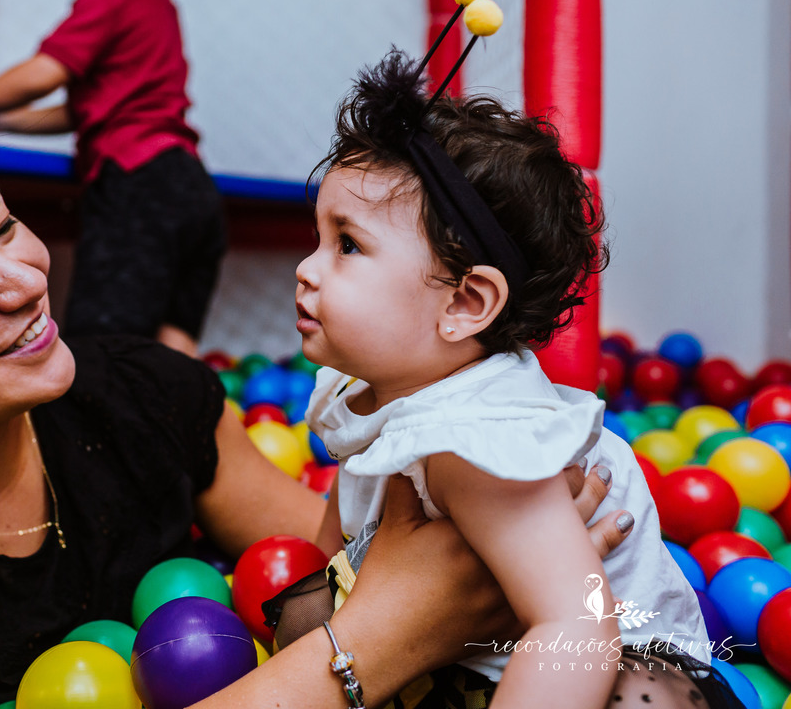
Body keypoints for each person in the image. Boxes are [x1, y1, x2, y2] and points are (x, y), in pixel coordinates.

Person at [0, 106, 633, 709]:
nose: (23, 278)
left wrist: (501, 546)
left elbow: (335, 550)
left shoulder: (140, 395)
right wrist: (375, 642)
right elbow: (384, 605)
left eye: (5, 225)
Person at [290, 50, 738, 708]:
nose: (307, 267)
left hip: (606, 659)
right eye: (319, 237)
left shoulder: (478, 439)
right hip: (469, 646)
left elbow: (575, 623)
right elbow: (342, 541)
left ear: (465, 305)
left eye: (348, 245)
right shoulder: (361, 385)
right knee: (303, 615)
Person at [0, 0, 223, 358]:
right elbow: (85, 111)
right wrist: (0, 121)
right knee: (172, 354)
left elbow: (43, 74)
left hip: (139, 186)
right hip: (190, 190)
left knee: (100, 350)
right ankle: (181, 425)